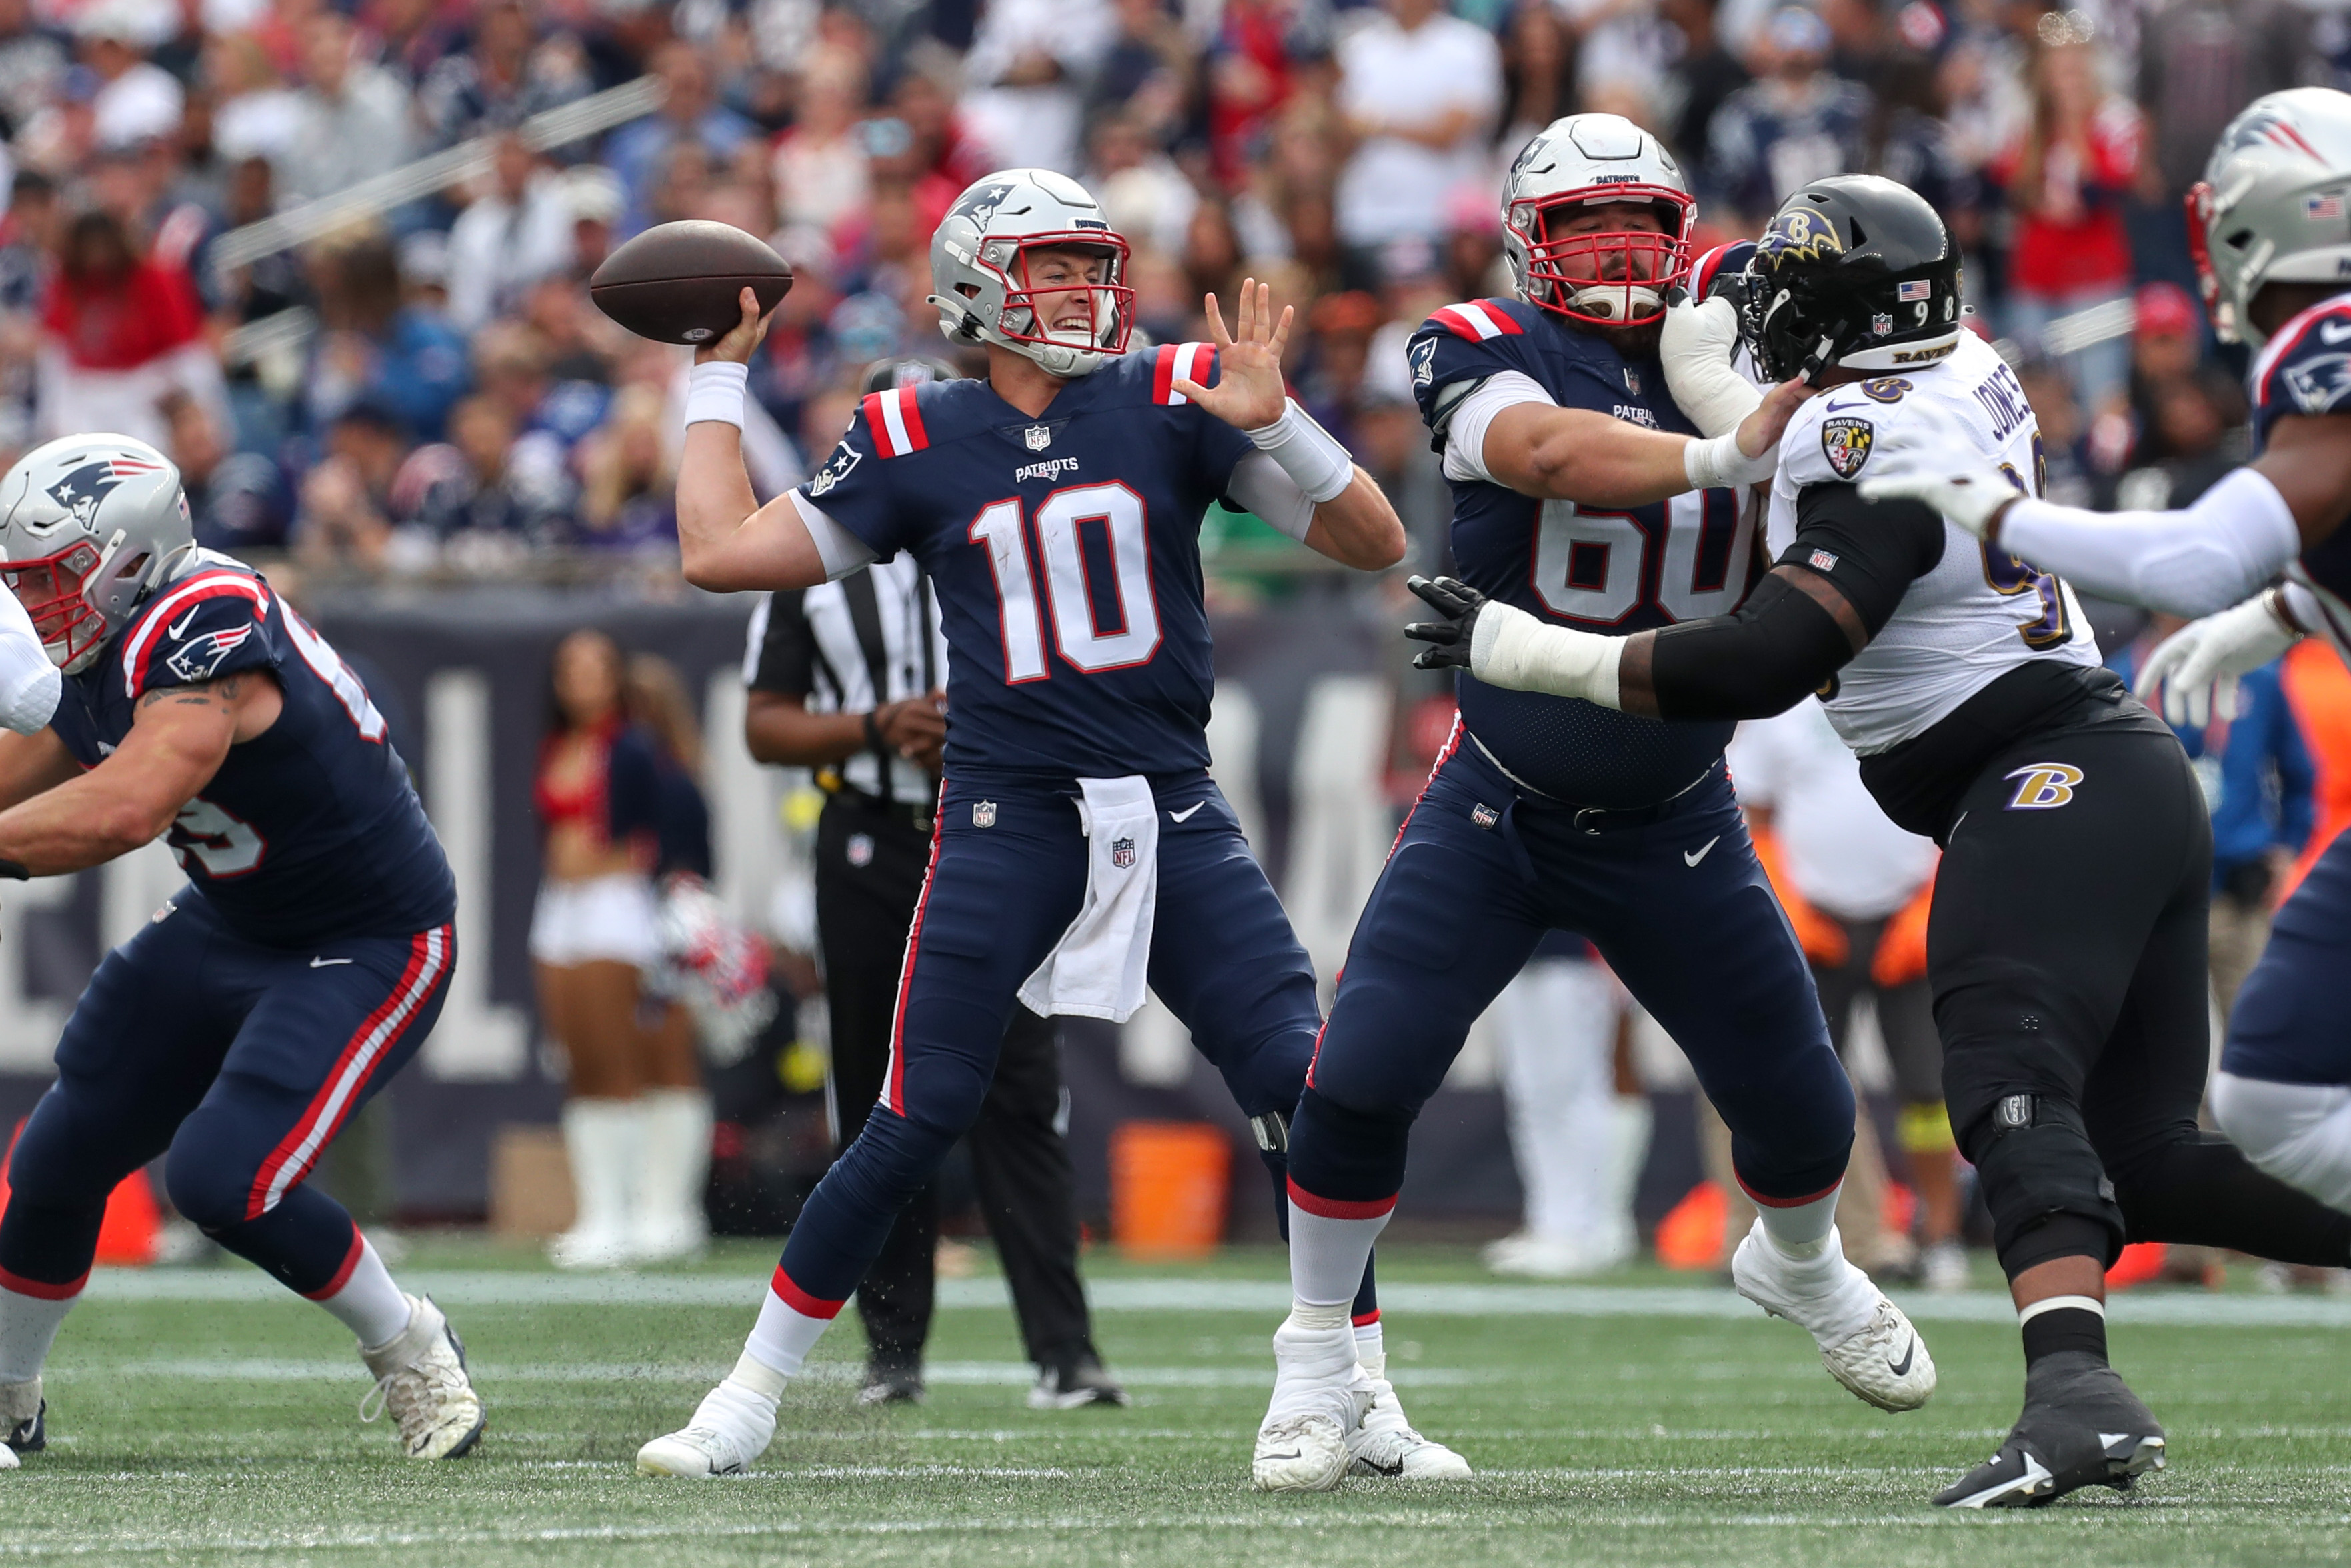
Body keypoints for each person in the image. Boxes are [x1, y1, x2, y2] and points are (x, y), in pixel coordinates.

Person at [1406, 173, 2351, 1508]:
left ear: (1834, 326)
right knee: (2144, 1162)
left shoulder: (1872, 442)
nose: (1764, 329)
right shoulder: (1950, 362)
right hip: (2107, 766)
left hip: (2043, 776)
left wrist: (1523, 648)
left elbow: (1765, 658)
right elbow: (1779, 414)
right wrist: (1715, 363)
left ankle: (2072, 1395)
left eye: (1787, 309)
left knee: (1999, 1069)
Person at [635, 167, 1428, 1483]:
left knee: (1305, 1080)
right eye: (1050, 267)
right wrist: (717, 378)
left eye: (1089, 264)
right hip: (1007, 814)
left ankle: (1355, 1388)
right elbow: (718, 552)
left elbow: (1372, 535)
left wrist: (1280, 424)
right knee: (912, 1110)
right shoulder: (909, 434)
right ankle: (747, 1398)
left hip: (1167, 804)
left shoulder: (1174, 394)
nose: (1080, 289)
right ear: (972, 288)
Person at [1259, 117, 1932, 1499]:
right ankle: (1316, 1359)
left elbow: (1886, 319)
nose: (1619, 252)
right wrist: (1727, 451)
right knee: (1358, 1076)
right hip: (1498, 803)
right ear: (1528, 243)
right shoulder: (1469, 339)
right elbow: (1546, 455)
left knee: (1804, 1122)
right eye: (1586, 230)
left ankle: (1797, 1266)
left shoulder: (1740, 323)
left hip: (1676, 808)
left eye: (1641, 225)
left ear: (1683, 231)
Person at [1858, 87, 2351, 1256]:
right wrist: (2283, 611)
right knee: (2271, 1095)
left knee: (2273, 1094)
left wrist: (1999, 514)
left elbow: (2190, 557)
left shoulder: (2328, 340)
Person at [0, 433, 483, 1465]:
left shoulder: (202, 619)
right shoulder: (103, 637)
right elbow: (58, 748)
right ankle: (8, 1392)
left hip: (369, 936)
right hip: (235, 916)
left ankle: (410, 1344)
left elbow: (128, 805)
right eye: (23, 585)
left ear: (126, 556)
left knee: (228, 1179)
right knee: (54, 1159)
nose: (36, 606)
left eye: (51, 579)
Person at [742, 357, 1127, 1411]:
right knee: (876, 1097)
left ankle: (1065, 1351)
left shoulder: (1014, 520)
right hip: (870, 838)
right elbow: (762, 722)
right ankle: (893, 1353)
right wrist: (876, 726)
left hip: (1006, 831)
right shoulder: (816, 553)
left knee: (1019, 1089)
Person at [1730, 701, 1961, 1289]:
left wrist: (1932, 898)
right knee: (1810, 1088)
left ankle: (1943, 1234)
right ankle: (1823, 1240)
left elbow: (1962, 805)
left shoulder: (1915, 686)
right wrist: (1783, 899)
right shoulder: (1782, 703)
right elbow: (1752, 811)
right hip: (1813, 920)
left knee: (1929, 1089)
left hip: (1910, 911)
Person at [531, 629, 707, 1268]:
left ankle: (633, 1215)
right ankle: (597, 1210)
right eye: (568, 668)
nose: (579, 680)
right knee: (576, 1058)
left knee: (617, 1059)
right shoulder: (556, 745)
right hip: (559, 907)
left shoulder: (634, 748)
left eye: (593, 667)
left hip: (617, 905)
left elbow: (664, 832)